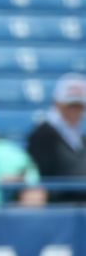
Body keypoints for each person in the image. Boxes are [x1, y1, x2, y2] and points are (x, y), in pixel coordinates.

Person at [26, 73, 86, 203]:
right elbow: (42, 176)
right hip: (59, 202)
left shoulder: (79, 136)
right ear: (57, 103)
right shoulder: (43, 134)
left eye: (79, 106)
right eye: (71, 105)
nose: (75, 112)